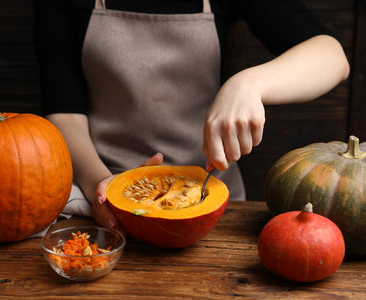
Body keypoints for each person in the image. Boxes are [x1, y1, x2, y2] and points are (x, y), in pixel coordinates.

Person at [34, 0, 349, 233]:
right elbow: (65, 116)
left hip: (213, 204)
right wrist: (99, 184)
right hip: (103, 201)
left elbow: (331, 56)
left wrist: (248, 84)